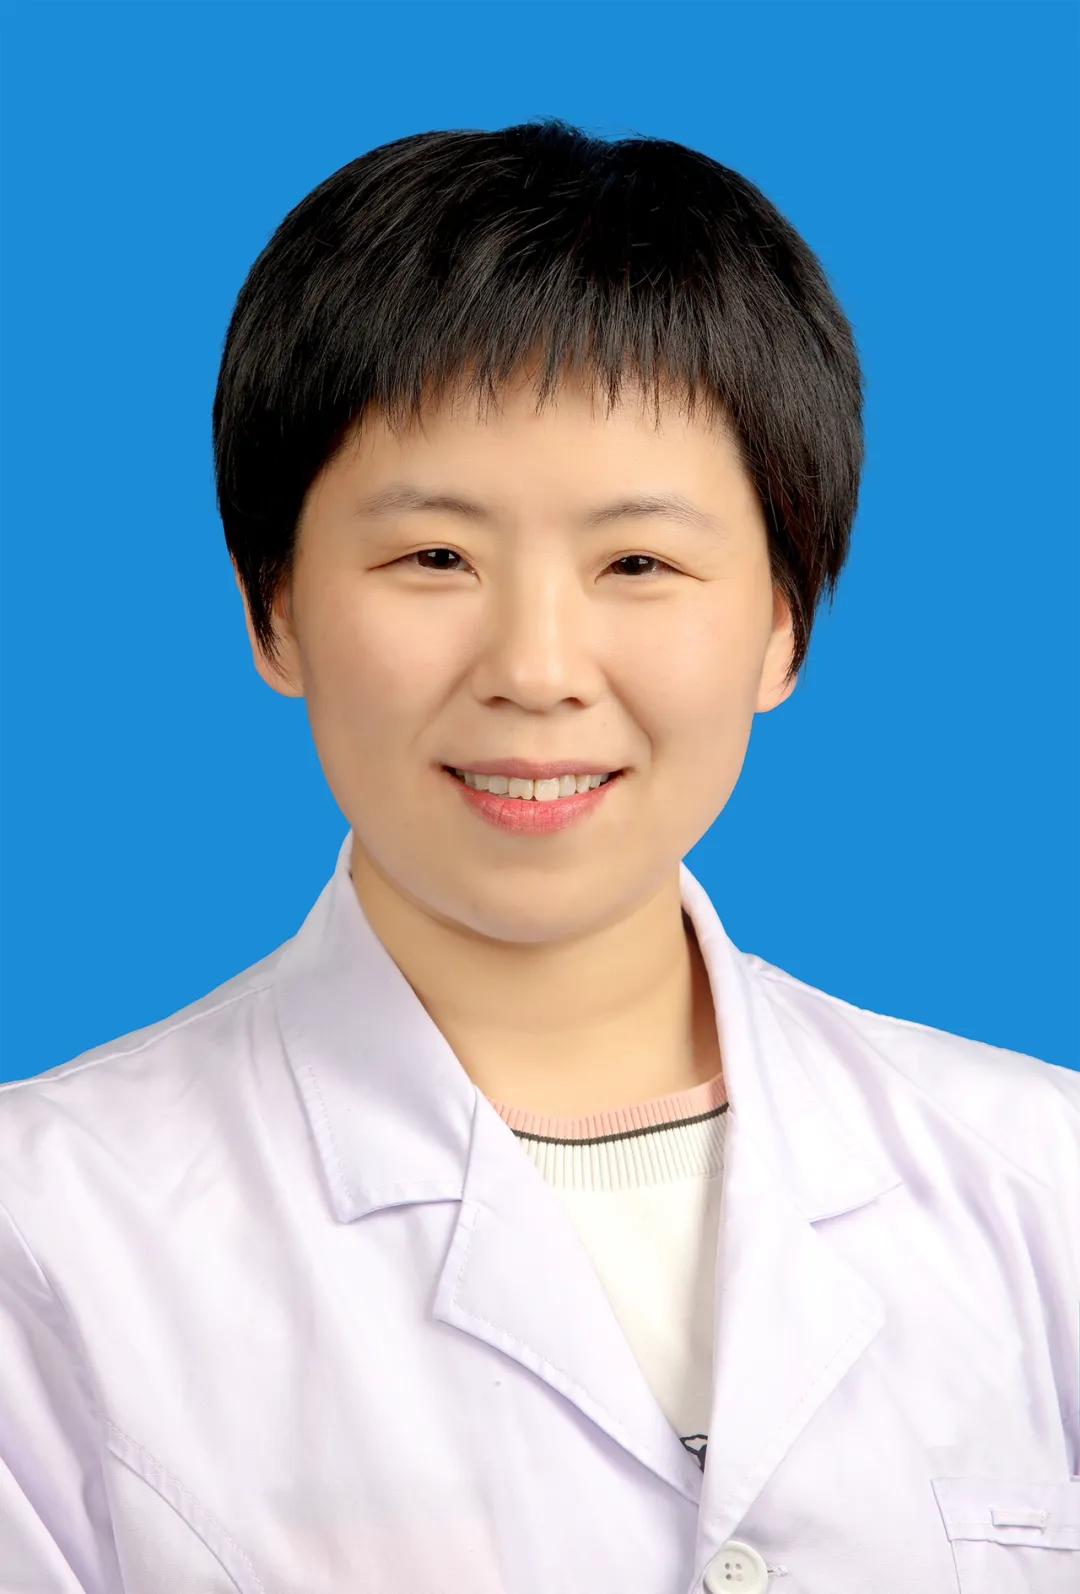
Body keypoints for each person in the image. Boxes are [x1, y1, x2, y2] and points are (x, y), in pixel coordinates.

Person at [1, 117, 1077, 1594]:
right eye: (434, 557)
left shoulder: (1044, 1183)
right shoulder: (47, 1237)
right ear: (275, 610)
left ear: (783, 624)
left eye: (638, 562)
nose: (537, 668)